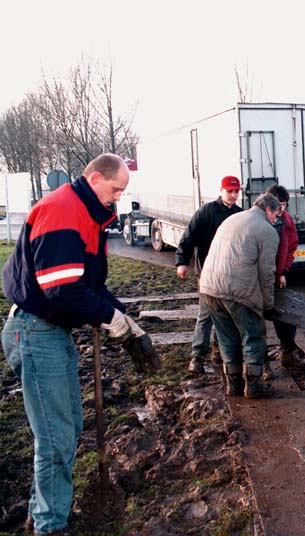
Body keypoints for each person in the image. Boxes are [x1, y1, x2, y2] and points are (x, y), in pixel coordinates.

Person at [2, 154, 157, 536]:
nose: (118, 198)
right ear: (94, 178)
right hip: (36, 331)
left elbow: (91, 287)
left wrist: (125, 318)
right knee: (55, 437)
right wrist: (110, 319)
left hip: (52, 332)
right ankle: (49, 526)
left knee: (68, 426)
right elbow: (63, 291)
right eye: (116, 189)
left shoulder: (89, 218)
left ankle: (50, 509)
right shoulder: (63, 212)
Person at [199, 192, 281, 398]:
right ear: (268, 210)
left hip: (209, 287)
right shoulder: (267, 231)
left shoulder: (232, 219)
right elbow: (266, 273)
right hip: (237, 290)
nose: (276, 219)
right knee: (253, 334)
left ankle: (233, 384)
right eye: (276, 215)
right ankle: (253, 385)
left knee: (227, 337)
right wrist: (267, 305)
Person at [175, 175, 243, 374]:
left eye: (236, 191)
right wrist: (182, 261)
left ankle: (218, 350)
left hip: (231, 273)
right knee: (206, 314)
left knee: (226, 314)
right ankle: (197, 356)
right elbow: (189, 236)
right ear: (221, 190)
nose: (233, 195)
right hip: (208, 273)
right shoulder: (207, 212)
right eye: (229, 191)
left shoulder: (239, 215)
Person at [266, 184, 305, 371]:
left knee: (286, 314)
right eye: (279, 205)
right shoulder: (260, 221)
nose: (282, 209)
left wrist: (284, 272)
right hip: (259, 276)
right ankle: (260, 367)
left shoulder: (287, 220)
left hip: (278, 275)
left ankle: (287, 350)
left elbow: (291, 247)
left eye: (285, 205)